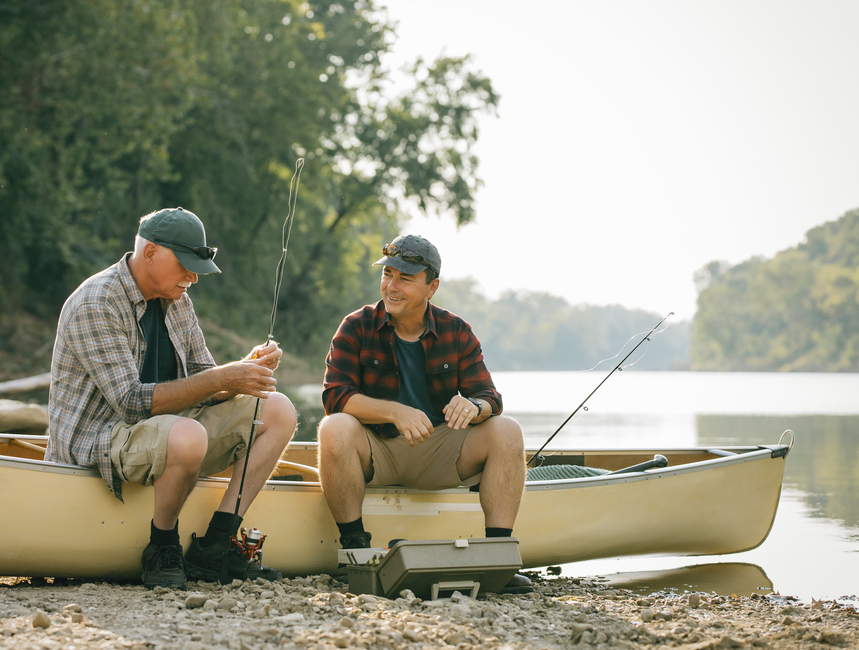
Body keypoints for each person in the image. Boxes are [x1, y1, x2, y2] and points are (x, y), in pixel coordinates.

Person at [47, 207, 296, 589]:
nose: (193, 277)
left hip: (170, 432)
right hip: (101, 438)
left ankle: (216, 544)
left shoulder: (177, 299)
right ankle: (162, 545)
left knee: (277, 409)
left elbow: (206, 385)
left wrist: (244, 371)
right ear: (150, 253)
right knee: (186, 435)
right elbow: (130, 402)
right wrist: (222, 377)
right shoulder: (96, 302)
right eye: (185, 265)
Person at [318, 234, 532, 593]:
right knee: (333, 427)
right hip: (377, 452)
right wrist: (394, 412)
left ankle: (497, 558)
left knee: (507, 430)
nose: (392, 286)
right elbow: (335, 395)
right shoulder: (356, 325)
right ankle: (355, 552)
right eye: (387, 274)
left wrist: (474, 407)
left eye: (405, 278)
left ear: (431, 287)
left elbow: (489, 396)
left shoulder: (456, 330)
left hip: (439, 452)